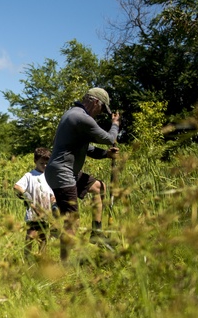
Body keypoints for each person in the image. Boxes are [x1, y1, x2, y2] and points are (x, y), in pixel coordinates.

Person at [44, 87, 120, 260]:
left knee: (98, 187)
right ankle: (64, 265)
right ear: (95, 102)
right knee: (73, 221)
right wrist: (115, 125)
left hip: (66, 171)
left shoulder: (73, 115)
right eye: (101, 109)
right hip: (62, 173)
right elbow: (108, 139)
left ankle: (97, 233)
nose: (100, 113)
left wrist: (106, 154)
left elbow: (88, 148)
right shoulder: (81, 117)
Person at [13, 147, 56, 257]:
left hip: (46, 213)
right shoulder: (29, 176)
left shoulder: (48, 177)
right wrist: (29, 200)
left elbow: (52, 195)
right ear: (35, 161)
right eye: (42, 163)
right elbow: (17, 187)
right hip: (33, 214)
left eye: (47, 163)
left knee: (43, 239)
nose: (45, 165)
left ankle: (42, 261)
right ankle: (27, 260)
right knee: (30, 237)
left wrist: (54, 206)